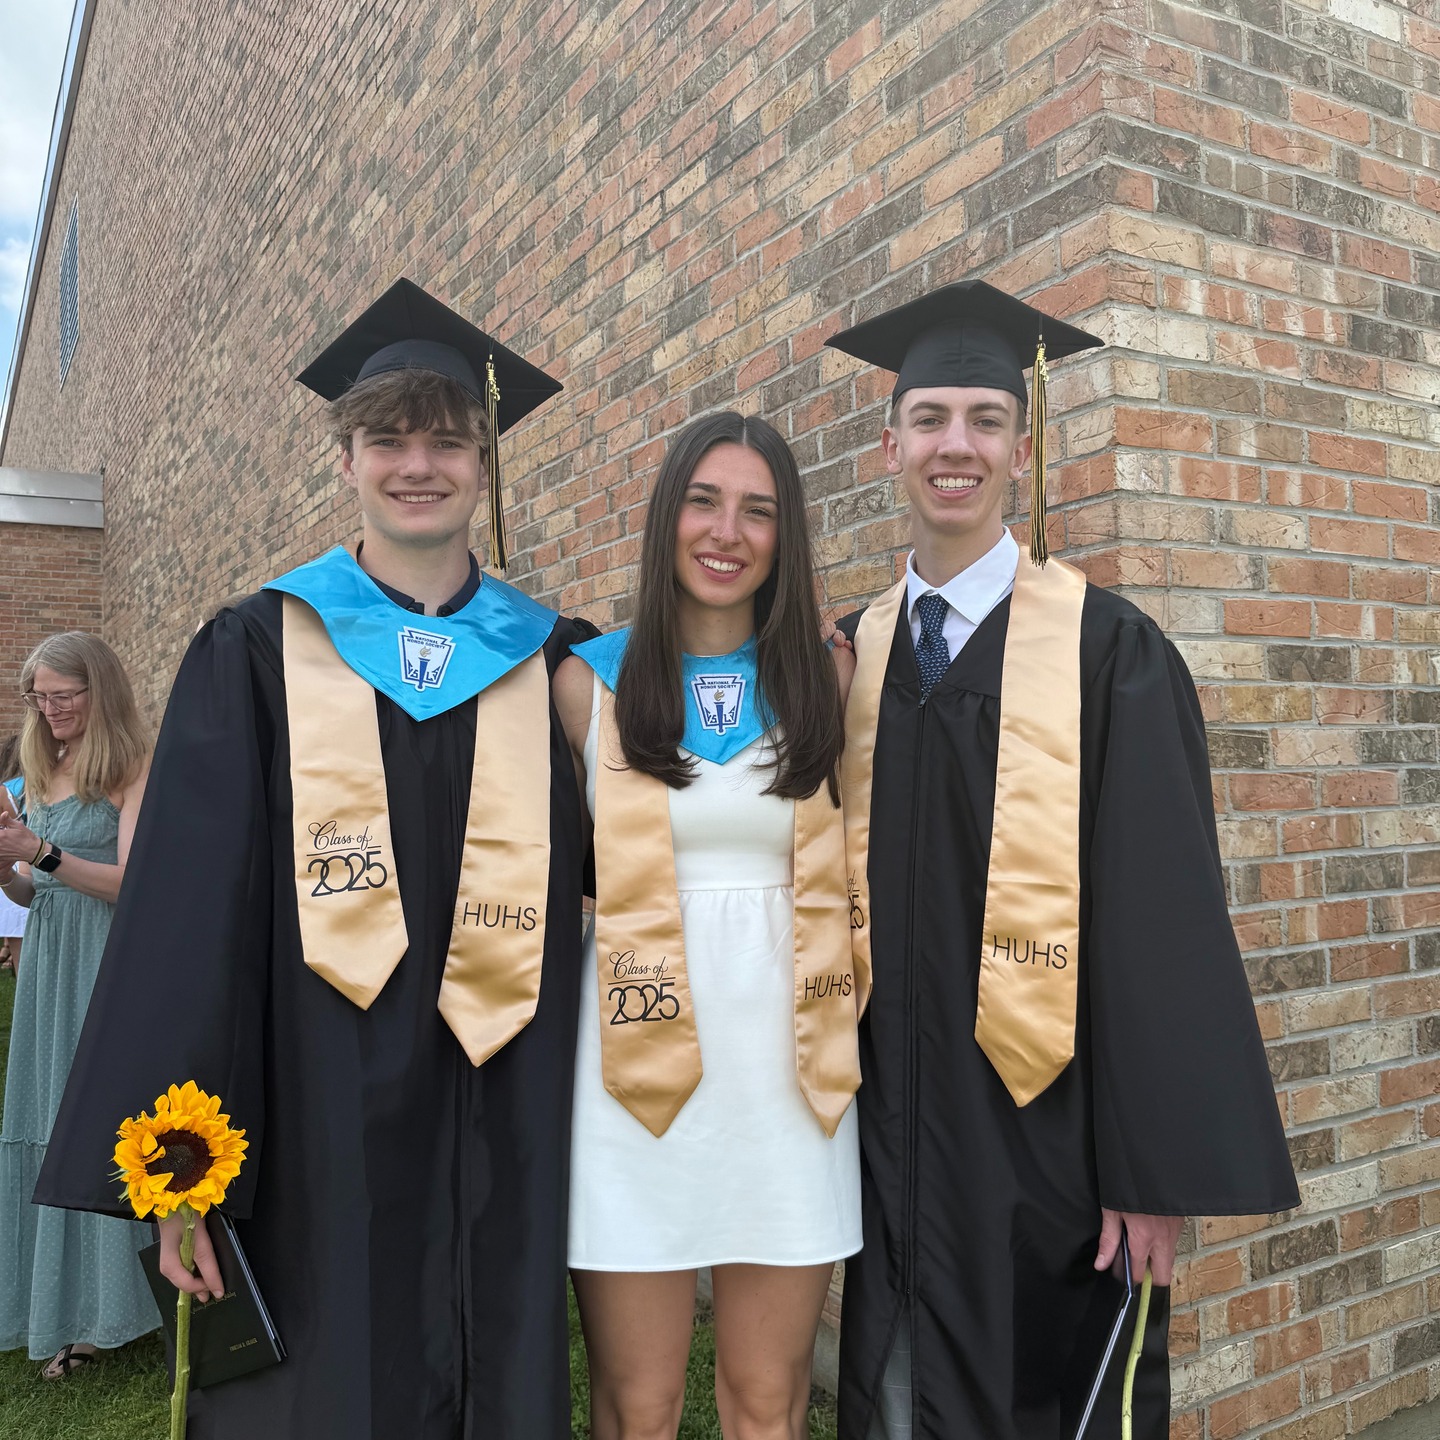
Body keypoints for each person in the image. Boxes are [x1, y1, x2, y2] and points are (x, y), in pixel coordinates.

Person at [36, 279, 595, 1439]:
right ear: (345, 459)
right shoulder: (257, 651)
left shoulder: (552, 662)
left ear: (483, 464)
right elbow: (189, 925)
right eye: (388, 439)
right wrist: (179, 1175)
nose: (418, 464)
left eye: (448, 441)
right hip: (313, 1111)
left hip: (505, 1105)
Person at [824, 280, 1299, 1440]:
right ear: (889, 447)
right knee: (897, 1401)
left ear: (1023, 452)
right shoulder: (845, 660)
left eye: (985, 421)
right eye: (930, 420)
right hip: (886, 1147)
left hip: (1051, 1156)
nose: (956, 446)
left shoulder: (1109, 652)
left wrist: (1150, 1173)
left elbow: (1161, 924)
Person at [556, 411, 862, 1440]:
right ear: (667, 518)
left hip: (790, 1069)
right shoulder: (583, 684)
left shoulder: (829, 678)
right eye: (704, 501)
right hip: (631, 1068)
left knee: (766, 1400)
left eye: (757, 510)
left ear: (785, 535)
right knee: (637, 1407)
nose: (727, 531)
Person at [0, 634, 156, 1378]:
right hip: (50, 960)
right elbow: (37, 891)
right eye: (39, 697)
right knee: (47, 1119)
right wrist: (9, 869)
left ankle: (111, 1312)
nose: (49, 710)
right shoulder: (40, 767)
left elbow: (135, 882)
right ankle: (57, 1305)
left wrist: (41, 852)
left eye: (64, 695)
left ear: (101, 689)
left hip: (108, 961)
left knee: (102, 1122)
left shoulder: (134, 765)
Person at [0, 736, 25, 975]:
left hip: (13, 864)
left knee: (18, 932)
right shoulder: (41, 785)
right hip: (30, 859)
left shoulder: (6, 789)